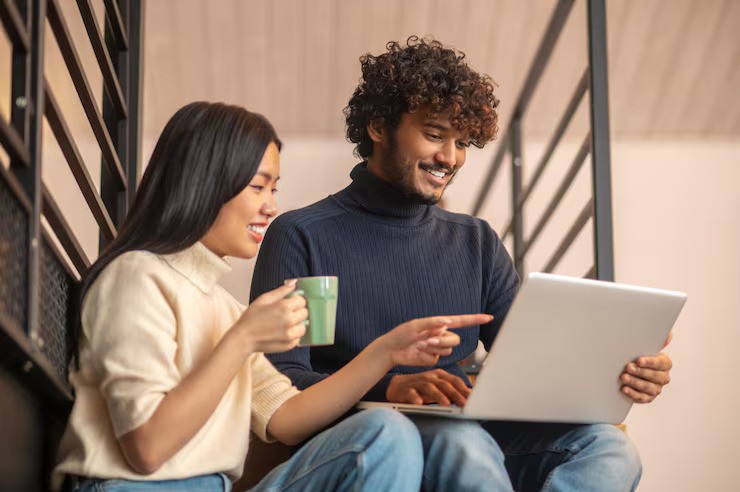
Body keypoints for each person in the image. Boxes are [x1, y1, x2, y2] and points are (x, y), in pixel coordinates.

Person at [251, 37, 674, 491]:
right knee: (465, 443)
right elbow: (286, 381)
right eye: (434, 134)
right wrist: (389, 388)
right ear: (378, 126)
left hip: (467, 431)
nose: (450, 158)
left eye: (462, 142)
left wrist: (616, 373)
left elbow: (529, 364)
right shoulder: (305, 235)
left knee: (610, 448)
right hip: (367, 439)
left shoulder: (476, 242)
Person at [53, 101, 492, 491]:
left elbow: (287, 420)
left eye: (274, 189)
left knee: (385, 432)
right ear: (206, 183)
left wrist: (385, 352)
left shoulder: (223, 306)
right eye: (258, 187)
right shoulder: (136, 277)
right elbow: (147, 448)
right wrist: (243, 340)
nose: (270, 206)